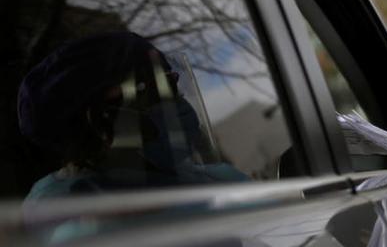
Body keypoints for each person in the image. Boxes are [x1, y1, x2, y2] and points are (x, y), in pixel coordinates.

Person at [18, 32, 247, 199]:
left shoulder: (209, 179)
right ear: (102, 120)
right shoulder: (75, 214)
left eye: (174, 86)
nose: (178, 103)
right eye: (159, 89)